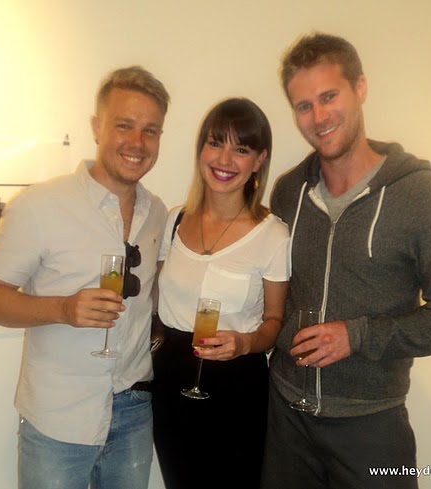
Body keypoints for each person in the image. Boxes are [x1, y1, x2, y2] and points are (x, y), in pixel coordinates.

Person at [260, 33, 431, 489]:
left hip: (371, 427)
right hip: (287, 418)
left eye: (329, 97)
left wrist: (357, 335)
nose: (318, 117)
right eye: (303, 106)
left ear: (360, 88)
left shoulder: (422, 196)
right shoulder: (289, 192)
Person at [0, 66, 171, 489]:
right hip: (58, 417)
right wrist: (62, 308)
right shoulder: (39, 205)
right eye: (124, 125)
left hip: (134, 410)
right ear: (97, 127)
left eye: (150, 131)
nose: (137, 142)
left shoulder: (157, 213)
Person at [152, 97, 290, 489]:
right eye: (215, 143)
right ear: (201, 149)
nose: (224, 159)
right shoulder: (175, 220)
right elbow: (158, 300)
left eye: (241, 149)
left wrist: (245, 343)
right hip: (172, 377)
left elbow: (275, 321)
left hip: (237, 383)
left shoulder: (272, 234)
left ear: (259, 160)